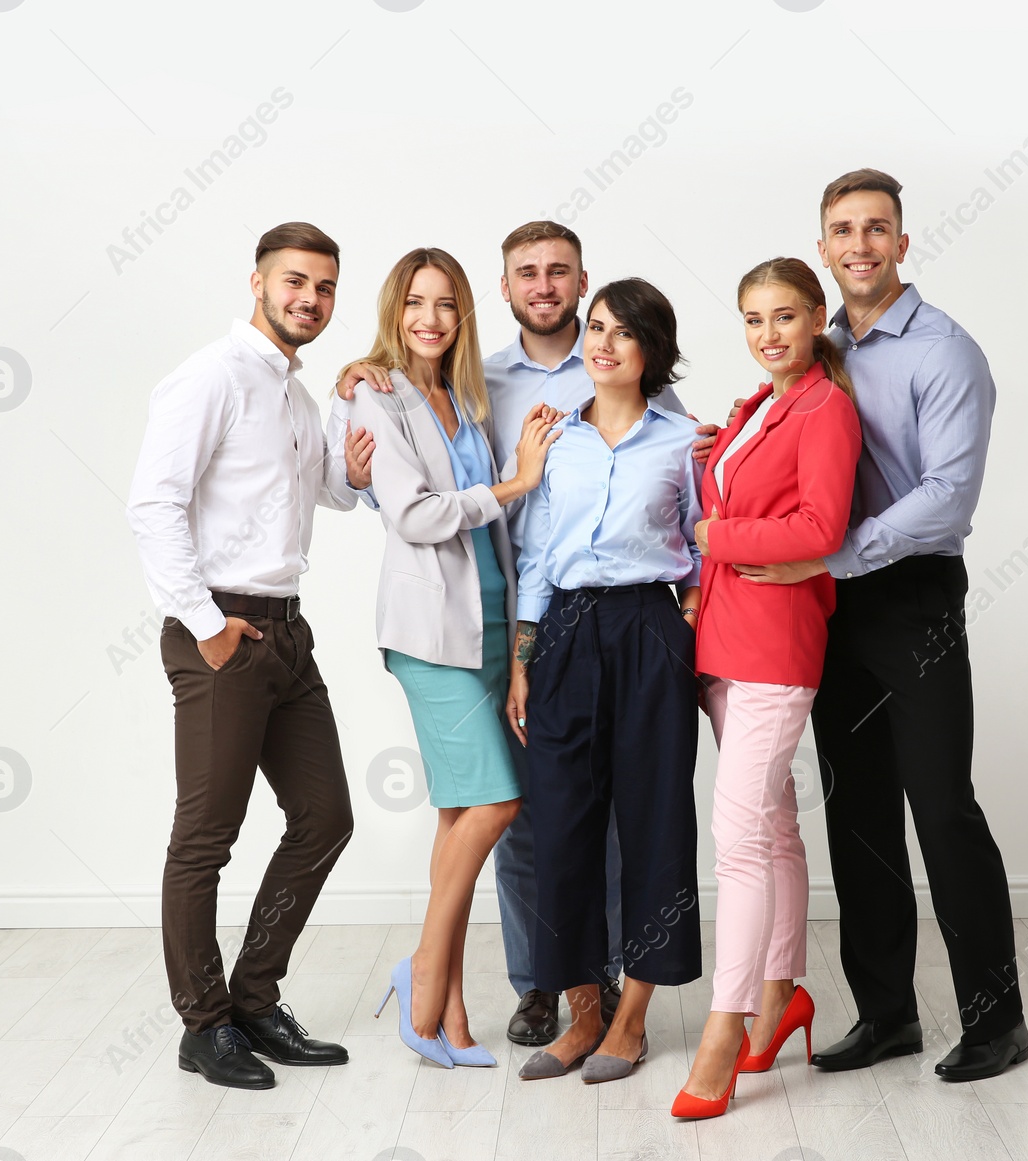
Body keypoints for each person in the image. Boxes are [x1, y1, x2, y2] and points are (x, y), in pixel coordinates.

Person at [332, 222, 715, 1048]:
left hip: (581, 616)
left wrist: (690, 607)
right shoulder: (481, 380)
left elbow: (686, 478)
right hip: (510, 615)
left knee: (612, 813)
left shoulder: (621, 352)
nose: (544, 285)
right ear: (504, 290)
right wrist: (360, 464)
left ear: (583, 281)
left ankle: (609, 981)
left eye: (559, 272)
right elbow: (427, 487)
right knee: (526, 812)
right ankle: (541, 982)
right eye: (526, 273)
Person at [731, 169, 1027, 1081]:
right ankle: (887, 1014)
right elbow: (779, 437)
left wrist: (833, 553)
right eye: (843, 230)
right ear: (822, 248)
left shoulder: (944, 352)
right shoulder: (814, 350)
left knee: (941, 805)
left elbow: (946, 501)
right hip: (826, 604)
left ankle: (995, 1020)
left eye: (877, 228)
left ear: (903, 242)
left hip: (911, 598)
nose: (860, 243)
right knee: (856, 813)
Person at [128, 222, 357, 1090]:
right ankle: (204, 1023)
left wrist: (354, 424)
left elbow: (331, 490)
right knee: (205, 839)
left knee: (325, 816)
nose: (310, 298)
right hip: (221, 630)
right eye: (295, 281)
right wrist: (204, 622)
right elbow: (153, 504)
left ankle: (255, 1000)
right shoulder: (210, 377)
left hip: (287, 633)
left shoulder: (296, 396)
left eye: (325, 287)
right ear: (257, 281)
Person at [351, 247, 562, 1069]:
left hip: (490, 621)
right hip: (430, 634)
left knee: (455, 815)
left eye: (446, 305)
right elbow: (414, 513)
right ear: (394, 311)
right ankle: (422, 972)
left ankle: (450, 1011)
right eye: (415, 303)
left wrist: (518, 642)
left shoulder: (461, 399)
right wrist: (517, 483)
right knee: (499, 806)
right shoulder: (375, 393)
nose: (430, 319)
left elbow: (486, 537)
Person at [671, 258, 862, 1119]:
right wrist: (721, 458)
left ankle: (725, 1022)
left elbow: (824, 528)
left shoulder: (827, 407)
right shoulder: (759, 404)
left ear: (817, 316)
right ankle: (783, 990)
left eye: (785, 317)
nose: (769, 334)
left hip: (777, 646)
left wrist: (716, 530)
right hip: (723, 641)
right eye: (754, 319)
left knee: (738, 836)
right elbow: (757, 496)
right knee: (774, 822)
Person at [508, 279, 704, 1084]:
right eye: (595, 328)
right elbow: (535, 551)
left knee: (656, 822)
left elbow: (705, 541)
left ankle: (631, 1021)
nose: (603, 343)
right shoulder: (558, 438)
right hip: (562, 632)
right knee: (559, 826)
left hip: (648, 628)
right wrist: (524, 655)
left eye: (623, 332)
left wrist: (687, 622)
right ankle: (582, 1013)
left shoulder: (686, 440)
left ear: (652, 350)